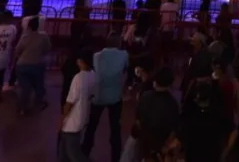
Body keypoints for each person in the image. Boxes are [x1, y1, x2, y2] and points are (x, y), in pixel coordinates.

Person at [83, 33, 129, 161]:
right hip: (115, 96)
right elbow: (126, 70)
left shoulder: (96, 56)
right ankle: (115, 157)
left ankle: (85, 152)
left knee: (91, 126)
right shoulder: (124, 55)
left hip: (98, 95)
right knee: (115, 128)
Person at [134, 68, 181, 160]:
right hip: (162, 147)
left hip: (145, 143)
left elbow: (138, 120)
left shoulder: (145, 97)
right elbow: (174, 129)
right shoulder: (173, 103)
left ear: (155, 82)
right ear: (170, 83)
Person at [59, 48, 96, 162]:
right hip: (83, 116)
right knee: (64, 151)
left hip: (73, 120)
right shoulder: (93, 75)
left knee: (73, 154)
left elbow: (70, 101)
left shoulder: (78, 78)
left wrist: (62, 118)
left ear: (80, 61)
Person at [14, 16, 51, 114]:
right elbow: (47, 49)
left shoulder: (24, 37)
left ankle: (22, 108)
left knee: (25, 88)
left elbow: (17, 51)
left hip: (22, 66)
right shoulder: (44, 36)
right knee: (39, 86)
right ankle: (37, 104)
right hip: (37, 65)